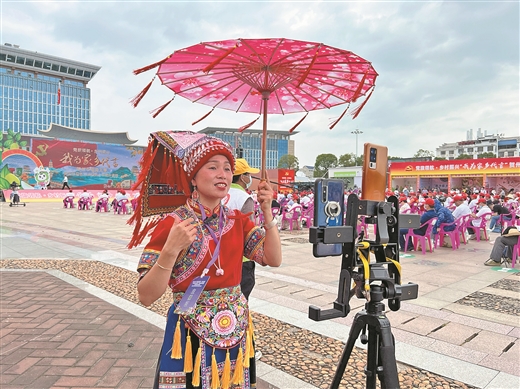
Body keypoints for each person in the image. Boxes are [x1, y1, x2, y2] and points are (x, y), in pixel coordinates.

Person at [131, 131, 282, 389]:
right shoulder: (174, 223)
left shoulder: (237, 220)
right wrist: (169, 251)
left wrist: (267, 215)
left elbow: (272, 258)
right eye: (212, 167)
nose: (222, 174)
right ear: (193, 177)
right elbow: (146, 296)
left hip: (234, 327)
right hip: (190, 332)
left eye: (226, 168)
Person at [222, 158, 260, 300]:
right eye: (248, 174)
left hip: (221, 256)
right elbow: (249, 233)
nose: (250, 177)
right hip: (241, 258)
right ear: (243, 177)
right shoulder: (244, 198)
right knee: (241, 299)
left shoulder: (219, 194)